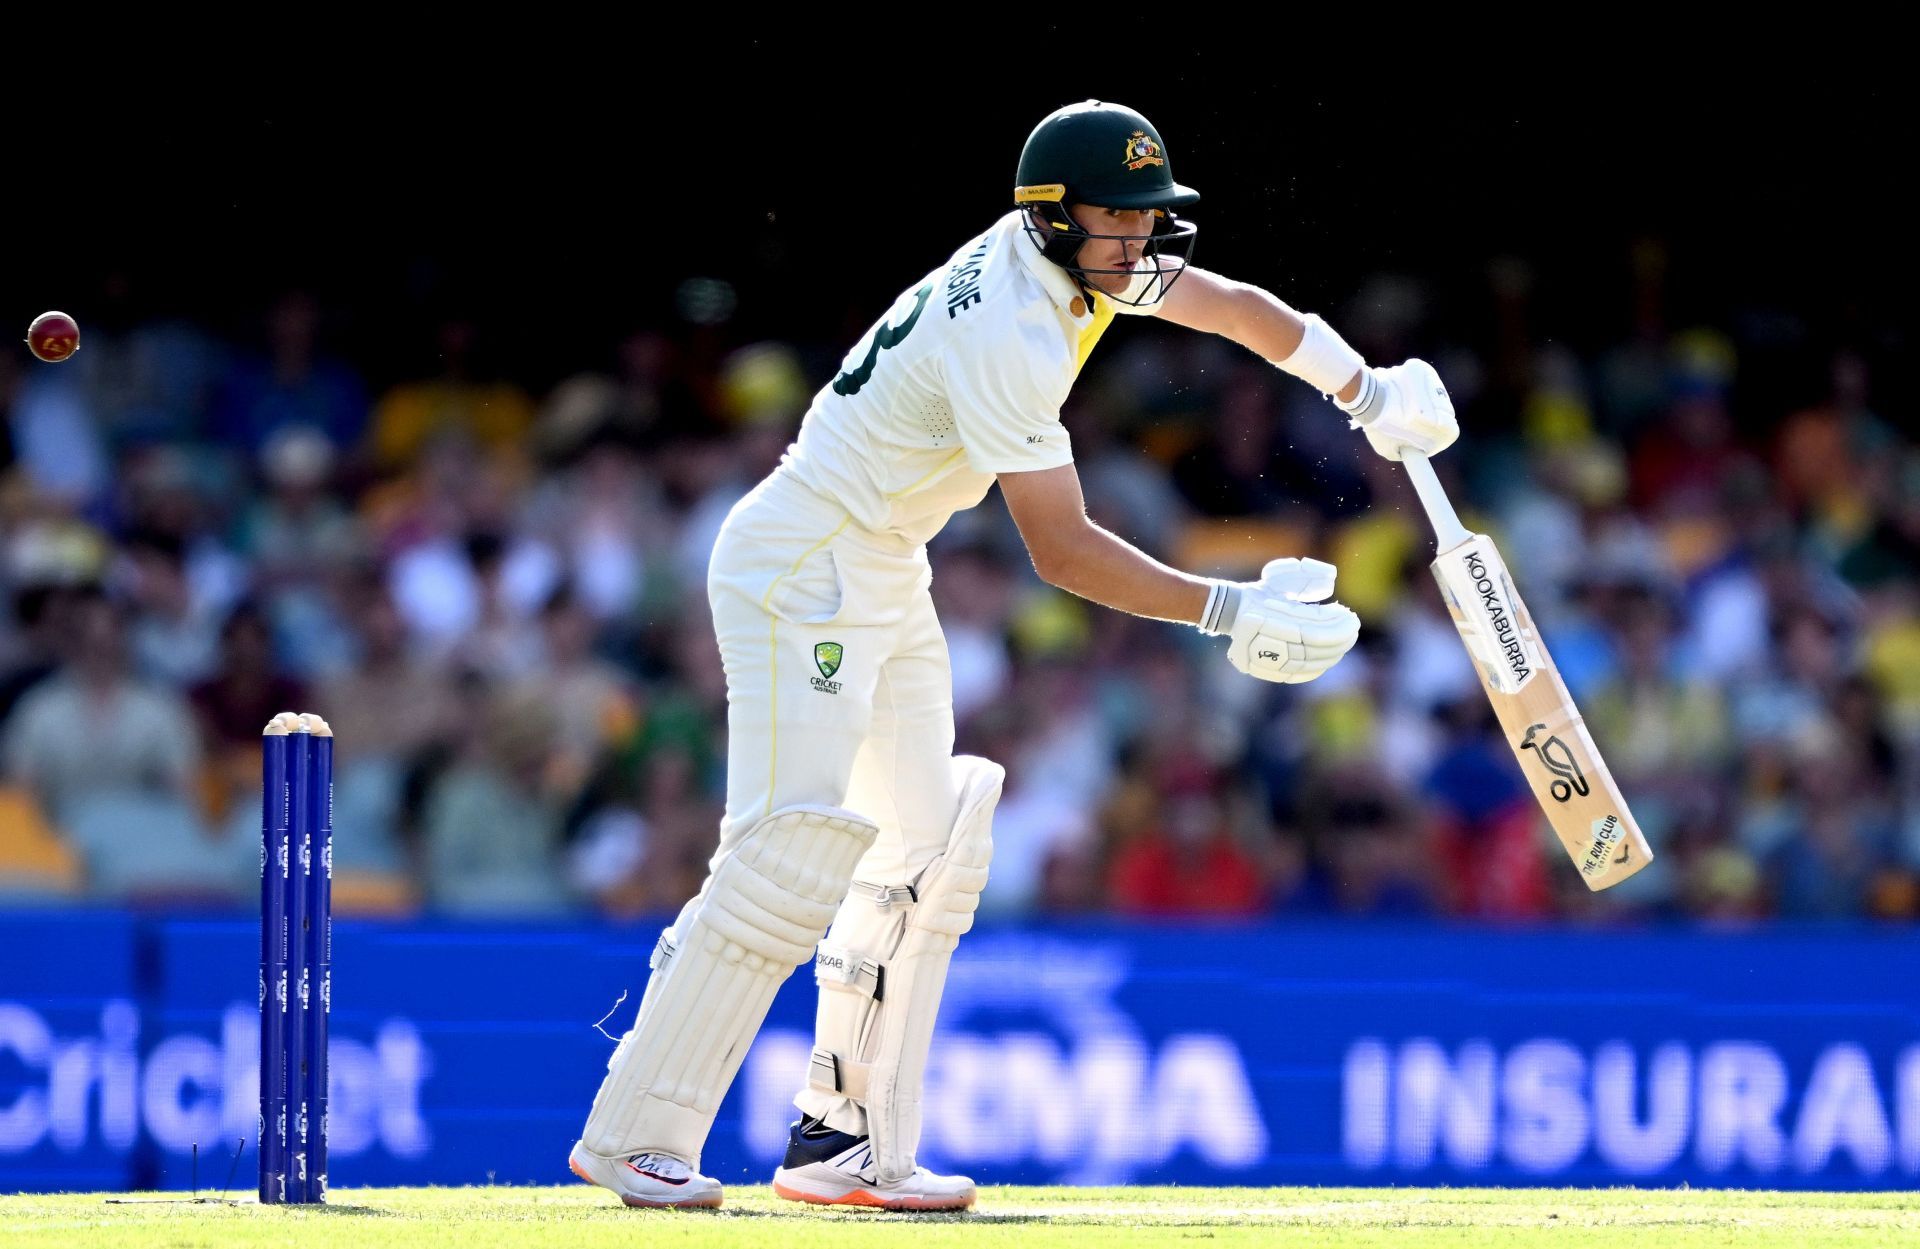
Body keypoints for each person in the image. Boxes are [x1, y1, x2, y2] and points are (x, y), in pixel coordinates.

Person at [567, 99, 1457, 1211]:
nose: (1137, 241)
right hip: (807, 559)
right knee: (790, 846)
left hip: (881, 558)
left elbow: (1231, 308)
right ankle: (637, 1132)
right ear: (1051, 217)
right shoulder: (1012, 332)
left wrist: (1364, 390)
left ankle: (841, 1143)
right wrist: (1225, 612)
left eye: (1147, 218)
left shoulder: (1088, 260)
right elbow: (1063, 550)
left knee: (926, 847)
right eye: (1116, 220)